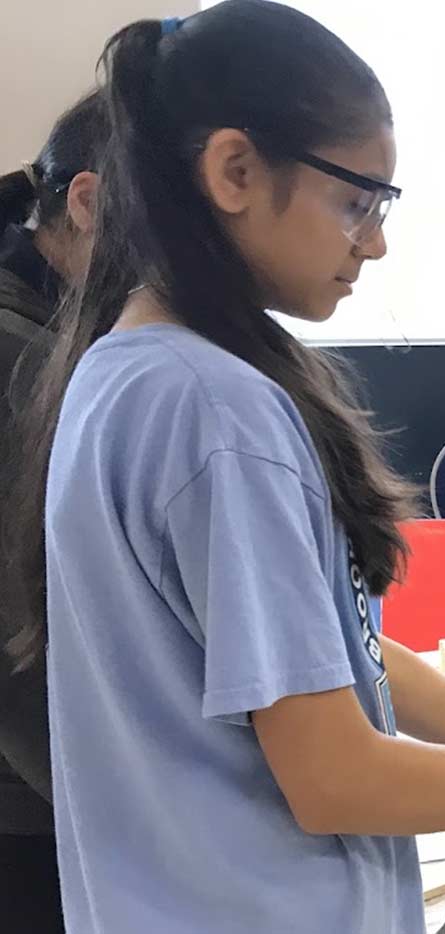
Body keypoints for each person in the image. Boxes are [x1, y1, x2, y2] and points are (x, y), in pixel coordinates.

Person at [0, 5, 445, 932]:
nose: (374, 243)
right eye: (358, 201)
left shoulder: (120, 369)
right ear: (235, 170)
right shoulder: (213, 406)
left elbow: (341, 652)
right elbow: (333, 777)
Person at [0, 90, 105, 934]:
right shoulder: (22, 364)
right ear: (86, 203)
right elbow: (19, 641)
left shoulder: (64, 342)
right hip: (30, 810)